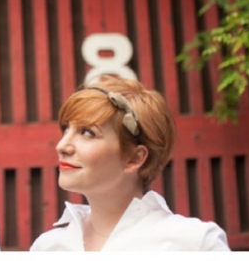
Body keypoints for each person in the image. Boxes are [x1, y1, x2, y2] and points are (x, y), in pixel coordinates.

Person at [30, 75, 229, 251]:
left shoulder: (193, 244)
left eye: (88, 133)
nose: (62, 146)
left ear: (134, 158)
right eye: (66, 130)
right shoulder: (48, 247)